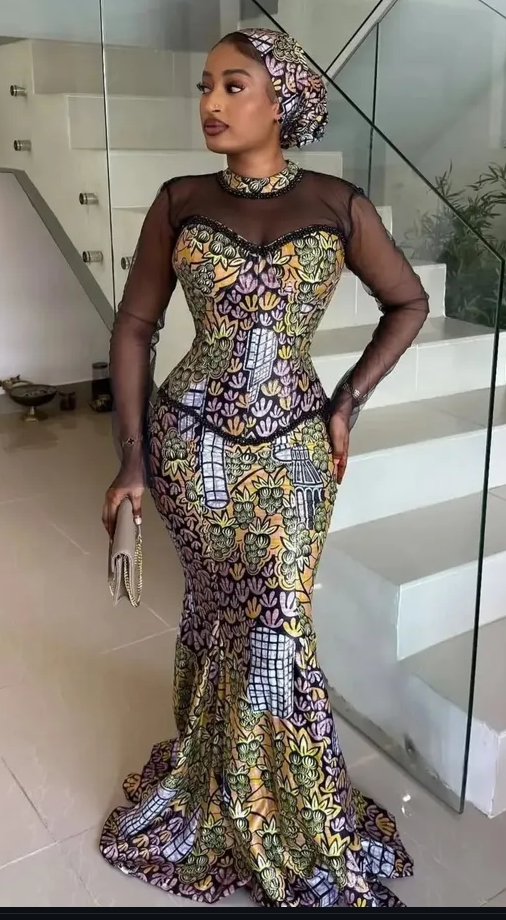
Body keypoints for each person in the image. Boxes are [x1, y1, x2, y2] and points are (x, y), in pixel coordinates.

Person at [100, 27, 429, 908]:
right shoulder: (179, 200)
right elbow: (134, 326)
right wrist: (132, 460)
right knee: (217, 616)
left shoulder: (338, 203)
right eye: (204, 86)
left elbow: (407, 301)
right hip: (190, 443)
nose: (210, 103)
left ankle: (294, 817)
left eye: (232, 85)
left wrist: (347, 401)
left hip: (295, 453)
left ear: (281, 100)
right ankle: (218, 784)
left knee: (278, 626)